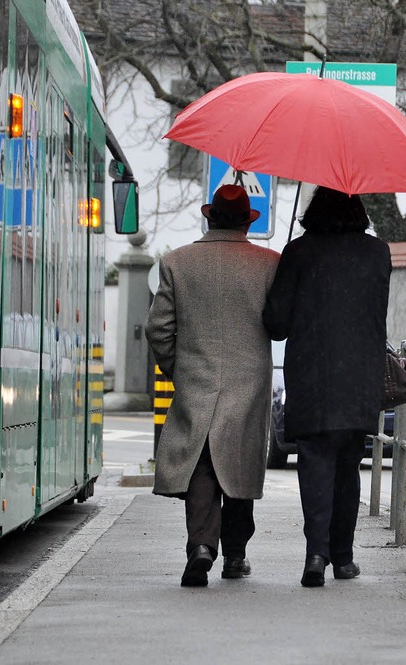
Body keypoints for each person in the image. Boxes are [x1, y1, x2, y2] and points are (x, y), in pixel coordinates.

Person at [146, 184, 279, 587]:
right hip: (249, 382)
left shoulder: (176, 263)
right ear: (246, 221)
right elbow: (279, 323)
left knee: (202, 465)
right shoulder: (270, 263)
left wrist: (178, 368)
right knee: (237, 466)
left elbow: (159, 328)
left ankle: (201, 546)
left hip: (196, 378)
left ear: (210, 216)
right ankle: (235, 556)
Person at [262, 186, 391, 587]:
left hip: (312, 376)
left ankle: (315, 555)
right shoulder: (378, 253)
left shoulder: (299, 252)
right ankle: (343, 557)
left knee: (315, 463)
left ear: (313, 210)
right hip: (359, 376)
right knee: (349, 466)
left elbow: (276, 323)